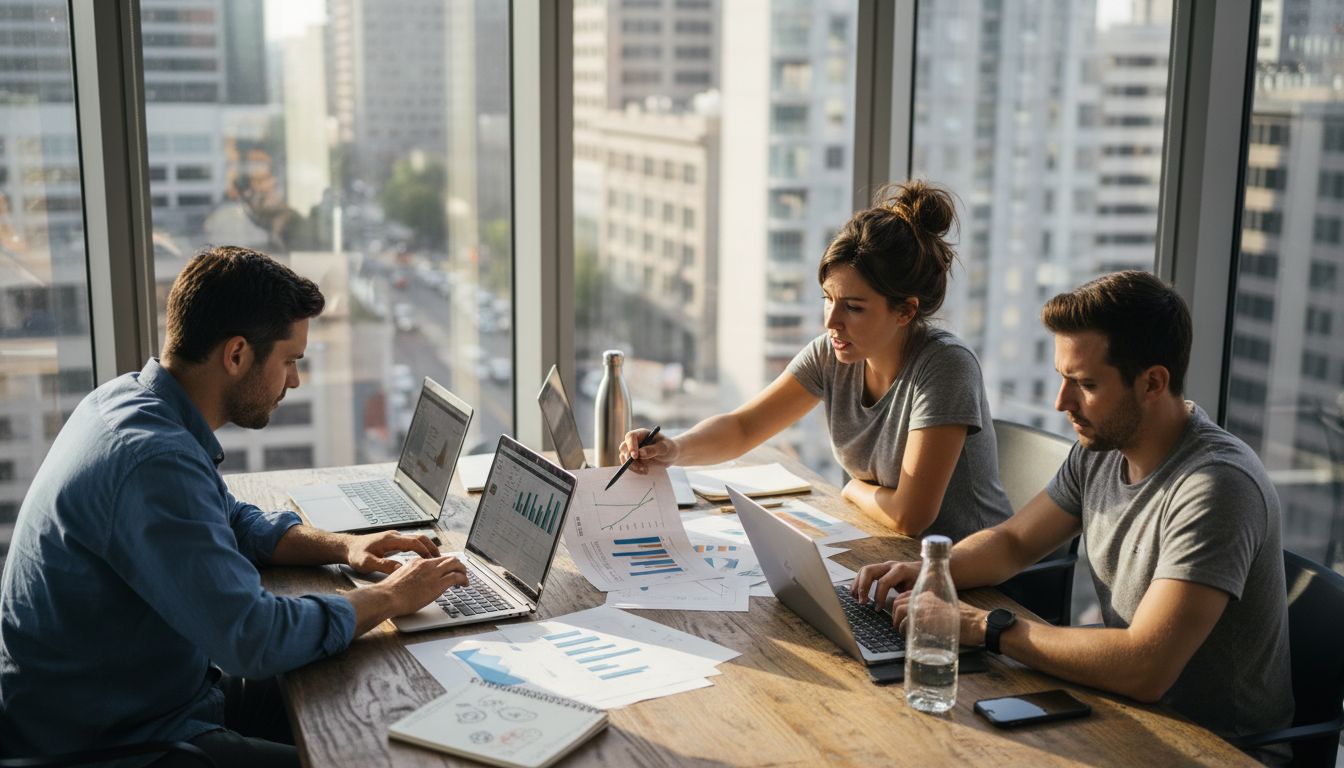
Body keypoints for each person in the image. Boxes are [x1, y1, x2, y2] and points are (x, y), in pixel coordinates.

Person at [0, 246, 468, 766]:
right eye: (290, 361)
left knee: (377, 697)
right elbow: (252, 637)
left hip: (157, 694)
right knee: (367, 751)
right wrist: (390, 598)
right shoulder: (152, 459)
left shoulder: (132, 403)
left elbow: (234, 522)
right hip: (113, 741)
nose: (294, 380)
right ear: (237, 354)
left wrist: (346, 546)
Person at [854, 271, 1293, 762]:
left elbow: (1145, 668)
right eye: (1063, 378)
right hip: (1118, 714)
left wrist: (985, 627)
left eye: (1085, 384)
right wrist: (929, 572)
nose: (1063, 403)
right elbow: (1014, 543)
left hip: (1210, 747)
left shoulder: (1216, 487)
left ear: (1153, 382)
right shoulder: (1105, 447)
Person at [622, 181, 1011, 542]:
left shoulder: (945, 367)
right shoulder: (834, 352)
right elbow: (743, 428)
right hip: (890, 556)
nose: (831, 321)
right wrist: (673, 449)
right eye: (828, 298)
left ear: (906, 311)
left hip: (969, 579)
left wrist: (852, 488)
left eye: (854, 307)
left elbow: (910, 516)